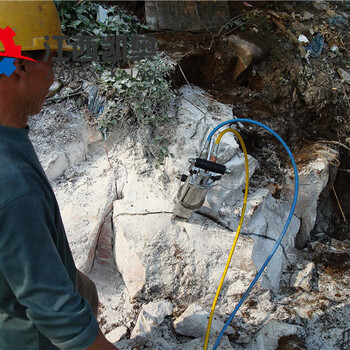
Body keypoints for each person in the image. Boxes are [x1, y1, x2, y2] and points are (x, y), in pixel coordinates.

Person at [0, 1, 119, 349]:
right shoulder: (13, 182)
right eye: (50, 64)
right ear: (19, 68)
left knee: (87, 290)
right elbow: (63, 322)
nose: (53, 79)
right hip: (29, 339)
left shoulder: (11, 135)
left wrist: (71, 279)